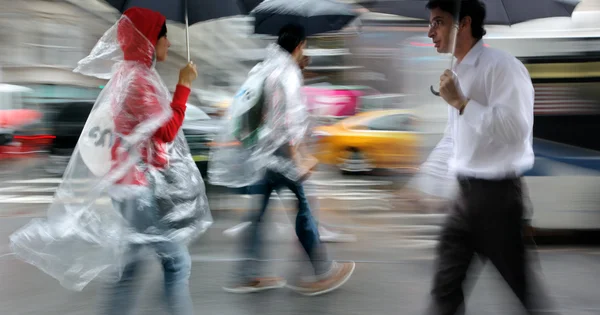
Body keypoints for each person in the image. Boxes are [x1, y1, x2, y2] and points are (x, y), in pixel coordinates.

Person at [422, 1, 557, 314]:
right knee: (444, 290)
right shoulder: (454, 74)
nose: (430, 32)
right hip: (464, 198)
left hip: (498, 199)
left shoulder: (504, 67)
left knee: (524, 292)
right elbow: (454, 137)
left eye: (438, 22)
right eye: (431, 23)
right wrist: (425, 183)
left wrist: (463, 103)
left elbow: (515, 130)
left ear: (464, 24)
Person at [223, 24, 355, 296]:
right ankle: (323, 271)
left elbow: (264, 115)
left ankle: (247, 275)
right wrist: (299, 158)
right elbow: (289, 120)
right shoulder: (286, 73)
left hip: (264, 155)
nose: (304, 51)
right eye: (303, 46)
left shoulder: (268, 69)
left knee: (257, 216)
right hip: (282, 155)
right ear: (298, 46)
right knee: (304, 207)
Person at [100, 7, 200, 315]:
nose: (168, 45)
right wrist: (184, 85)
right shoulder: (139, 80)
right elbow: (167, 131)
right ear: (148, 40)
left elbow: (148, 133)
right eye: (164, 37)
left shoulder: (129, 75)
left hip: (127, 184)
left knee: (131, 268)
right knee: (176, 262)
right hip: (135, 188)